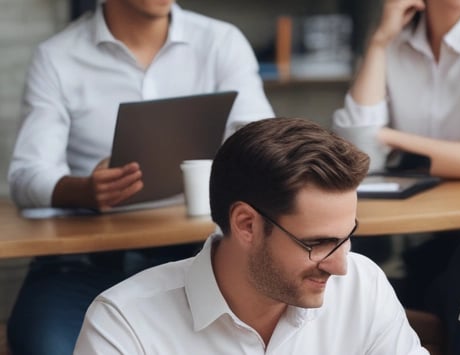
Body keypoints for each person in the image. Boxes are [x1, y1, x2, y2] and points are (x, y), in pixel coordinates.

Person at [6, 0, 275, 353]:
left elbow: (263, 147)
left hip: (198, 260)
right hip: (81, 268)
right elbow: (27, 174)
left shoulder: (221, 42)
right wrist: (84, 191)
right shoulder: (57, 57)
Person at [74, 117, 428, 354]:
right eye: (318, 243)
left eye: (346, 236)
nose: (340, 267)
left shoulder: (363, 288)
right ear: (247, 225)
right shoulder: (125, 326)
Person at [333, 0, 460, 350]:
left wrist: (388, 137)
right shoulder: (395, 33)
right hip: (412, 220)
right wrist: (380, 40)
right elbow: (354, 148)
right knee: (342, 259)